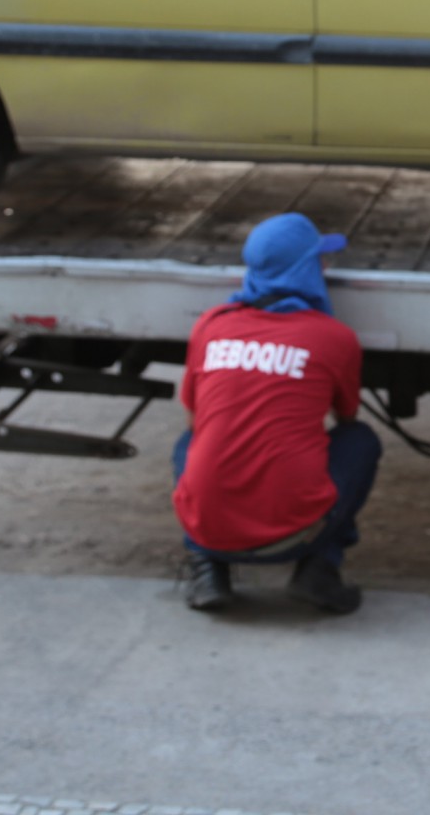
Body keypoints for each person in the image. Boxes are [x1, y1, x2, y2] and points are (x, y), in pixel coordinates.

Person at [172, 212, 381, 616]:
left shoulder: (211, 326)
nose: (325, 267)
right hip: (297, 535)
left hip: (210, 529)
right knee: (360, 442)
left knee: (190, 443)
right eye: (320, 260)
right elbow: (348, 416)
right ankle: (319, 569)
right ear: (306, 270)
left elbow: (194, 421)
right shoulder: (333, 337)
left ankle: (206, 568)